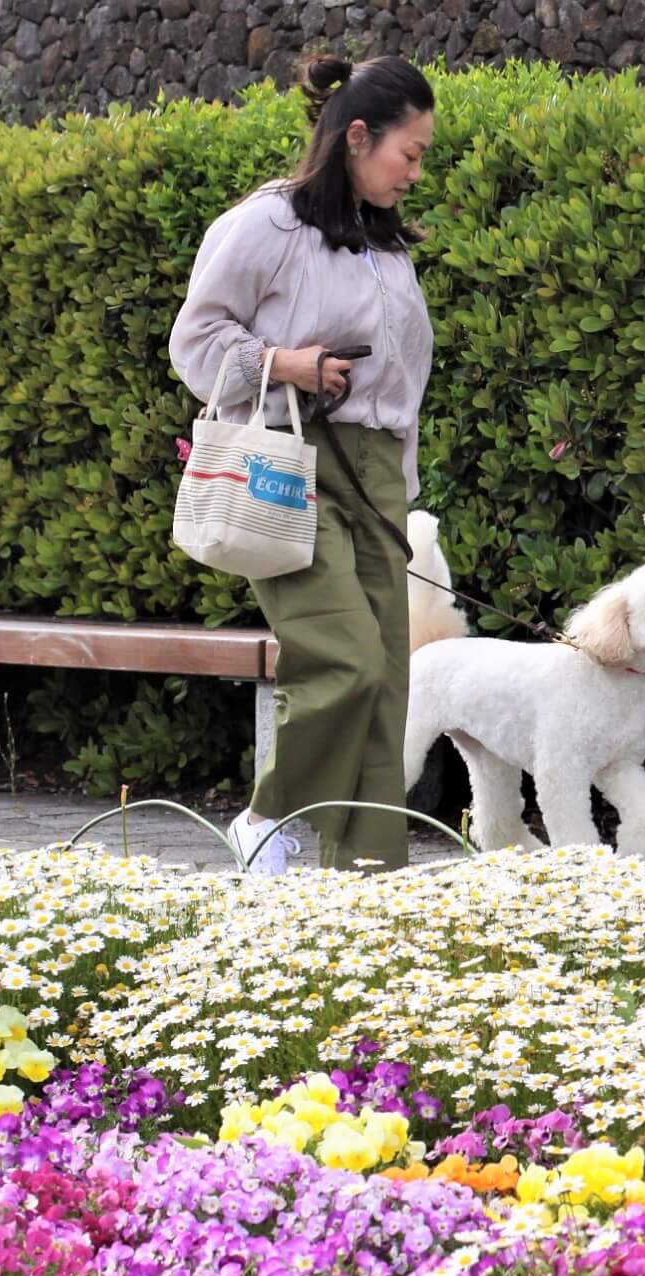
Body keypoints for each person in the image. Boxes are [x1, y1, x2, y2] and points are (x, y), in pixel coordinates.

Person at [169, 53, 436, 874]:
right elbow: (195, 340)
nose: (416, 173)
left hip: (377, 474)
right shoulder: (268, 224)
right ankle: (269, 819)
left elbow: (403, 380)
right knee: (344, 658)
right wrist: (283, 363)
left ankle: (363, 874)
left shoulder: (385, 244)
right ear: (357, 136)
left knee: (390, 678)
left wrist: (404, 486)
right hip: (291, 465)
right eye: (410, 153)